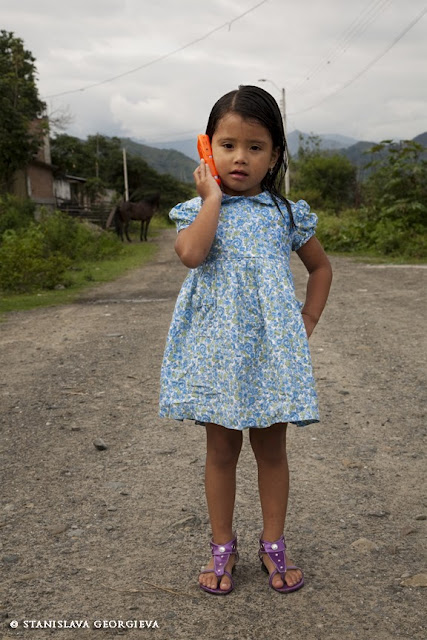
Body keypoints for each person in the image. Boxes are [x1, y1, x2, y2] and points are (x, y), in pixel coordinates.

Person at [159, 85, 332, 595]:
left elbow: (321, 268)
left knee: (272, 450)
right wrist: (212, 197)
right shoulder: (197, 210)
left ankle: (274, 544)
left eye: (255, 147)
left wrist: (308, 318)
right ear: (207, 148)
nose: (240, 157)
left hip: (271, 355)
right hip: (215, 353)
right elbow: (191, 255)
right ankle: (222, 545)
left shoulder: (285, 214)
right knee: (220, 450)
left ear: (275, 154)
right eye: (228, 145)